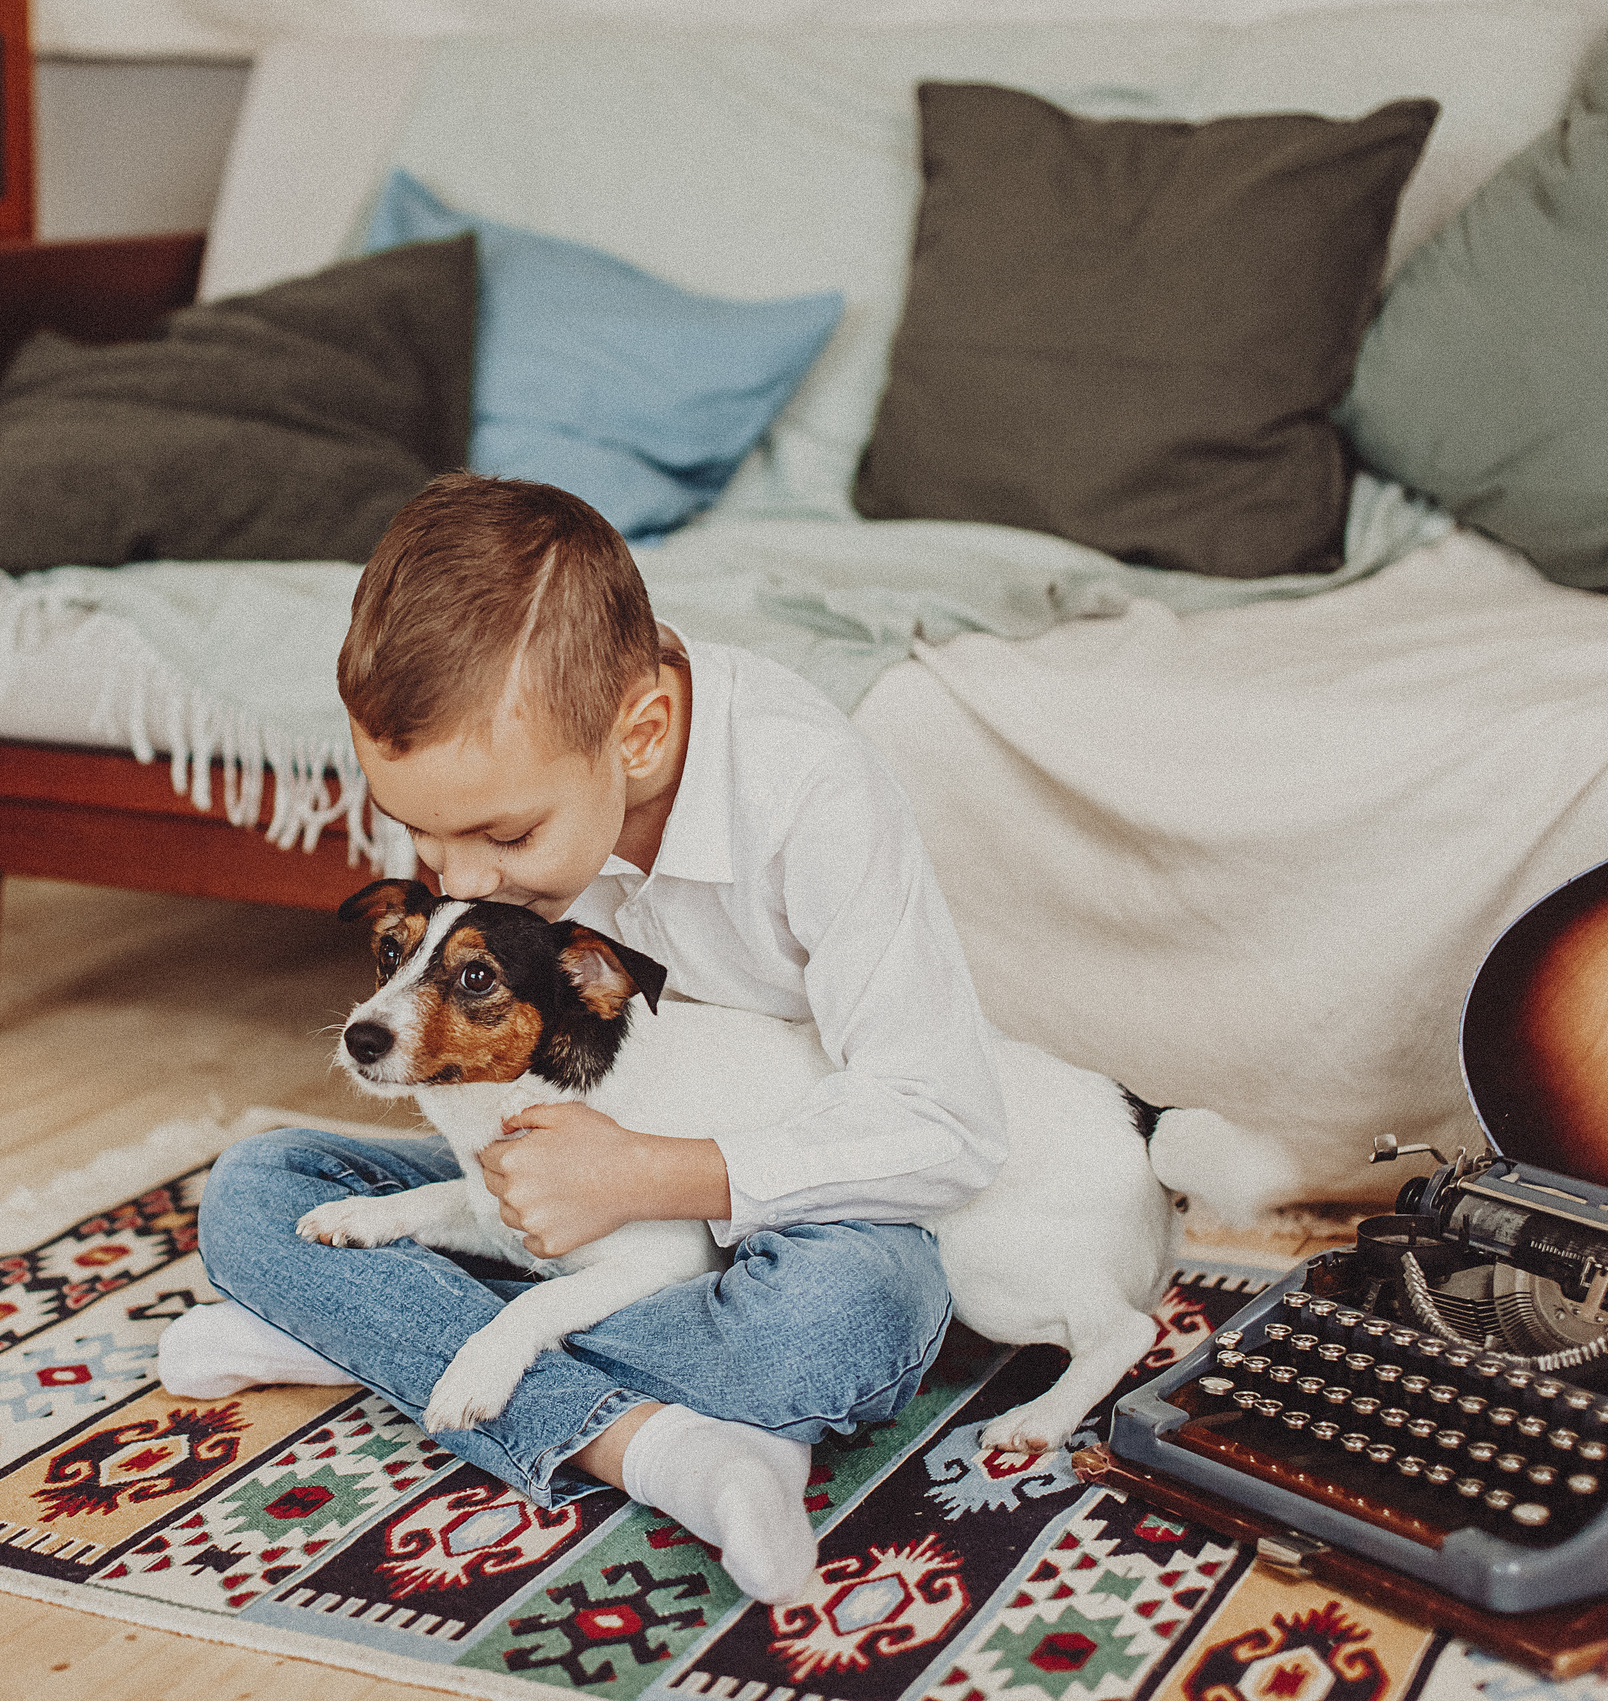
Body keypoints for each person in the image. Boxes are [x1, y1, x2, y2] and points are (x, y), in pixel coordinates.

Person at [159, 473, 1007, 1603]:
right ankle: (664, 1443)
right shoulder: (504, 791)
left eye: (506, 836)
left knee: (840, 1326)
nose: (462, 879)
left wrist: (649, 1175)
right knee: (256, 1188)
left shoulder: (814, 793)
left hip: (794, 1213)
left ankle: (365, 1338)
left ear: (639, 735)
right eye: (421, 834)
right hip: (569, 1198)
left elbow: (947, 1123)